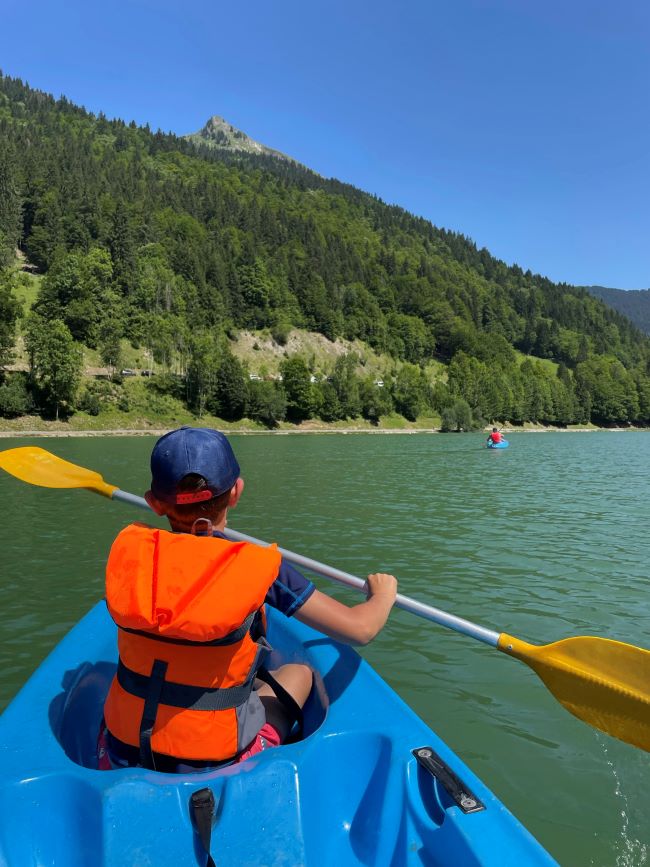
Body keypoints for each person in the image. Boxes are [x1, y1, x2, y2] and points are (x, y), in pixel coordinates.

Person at [98, 426, 397, 773]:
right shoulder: (262, 569)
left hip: (119, 751)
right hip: (217, 761)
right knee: (299, 673)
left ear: (153, 503)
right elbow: (360, 629)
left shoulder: (131, 555)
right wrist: (383, 594)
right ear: (237, 492)